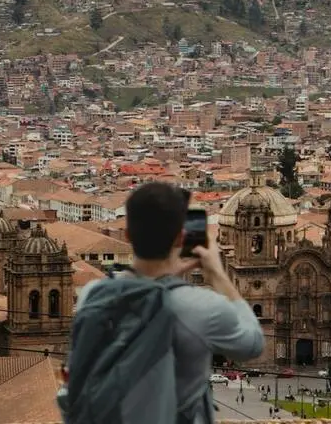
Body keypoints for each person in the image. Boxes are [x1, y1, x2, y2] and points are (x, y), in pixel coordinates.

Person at [76, 182, 265, 424]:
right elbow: (253, 344)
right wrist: (217, 273)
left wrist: (168, 273)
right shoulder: (202, 306)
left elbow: (146, 287)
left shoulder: (93, 295)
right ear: (181, 237)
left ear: (128, 235)